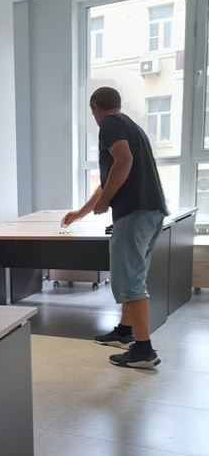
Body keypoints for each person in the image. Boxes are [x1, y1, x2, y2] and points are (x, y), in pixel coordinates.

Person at [62, 86, 168, 369]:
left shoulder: (109, 124)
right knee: (134, 275)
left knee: (130, 281)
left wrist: (106, 201)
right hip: (150, 211)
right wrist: (81, 212)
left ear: (95, 107)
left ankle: (143, 350)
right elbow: (109, 178)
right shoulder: (130, 126)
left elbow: (123, 161)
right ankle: (124, 332)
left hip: (134, 213)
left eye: (92, 111)